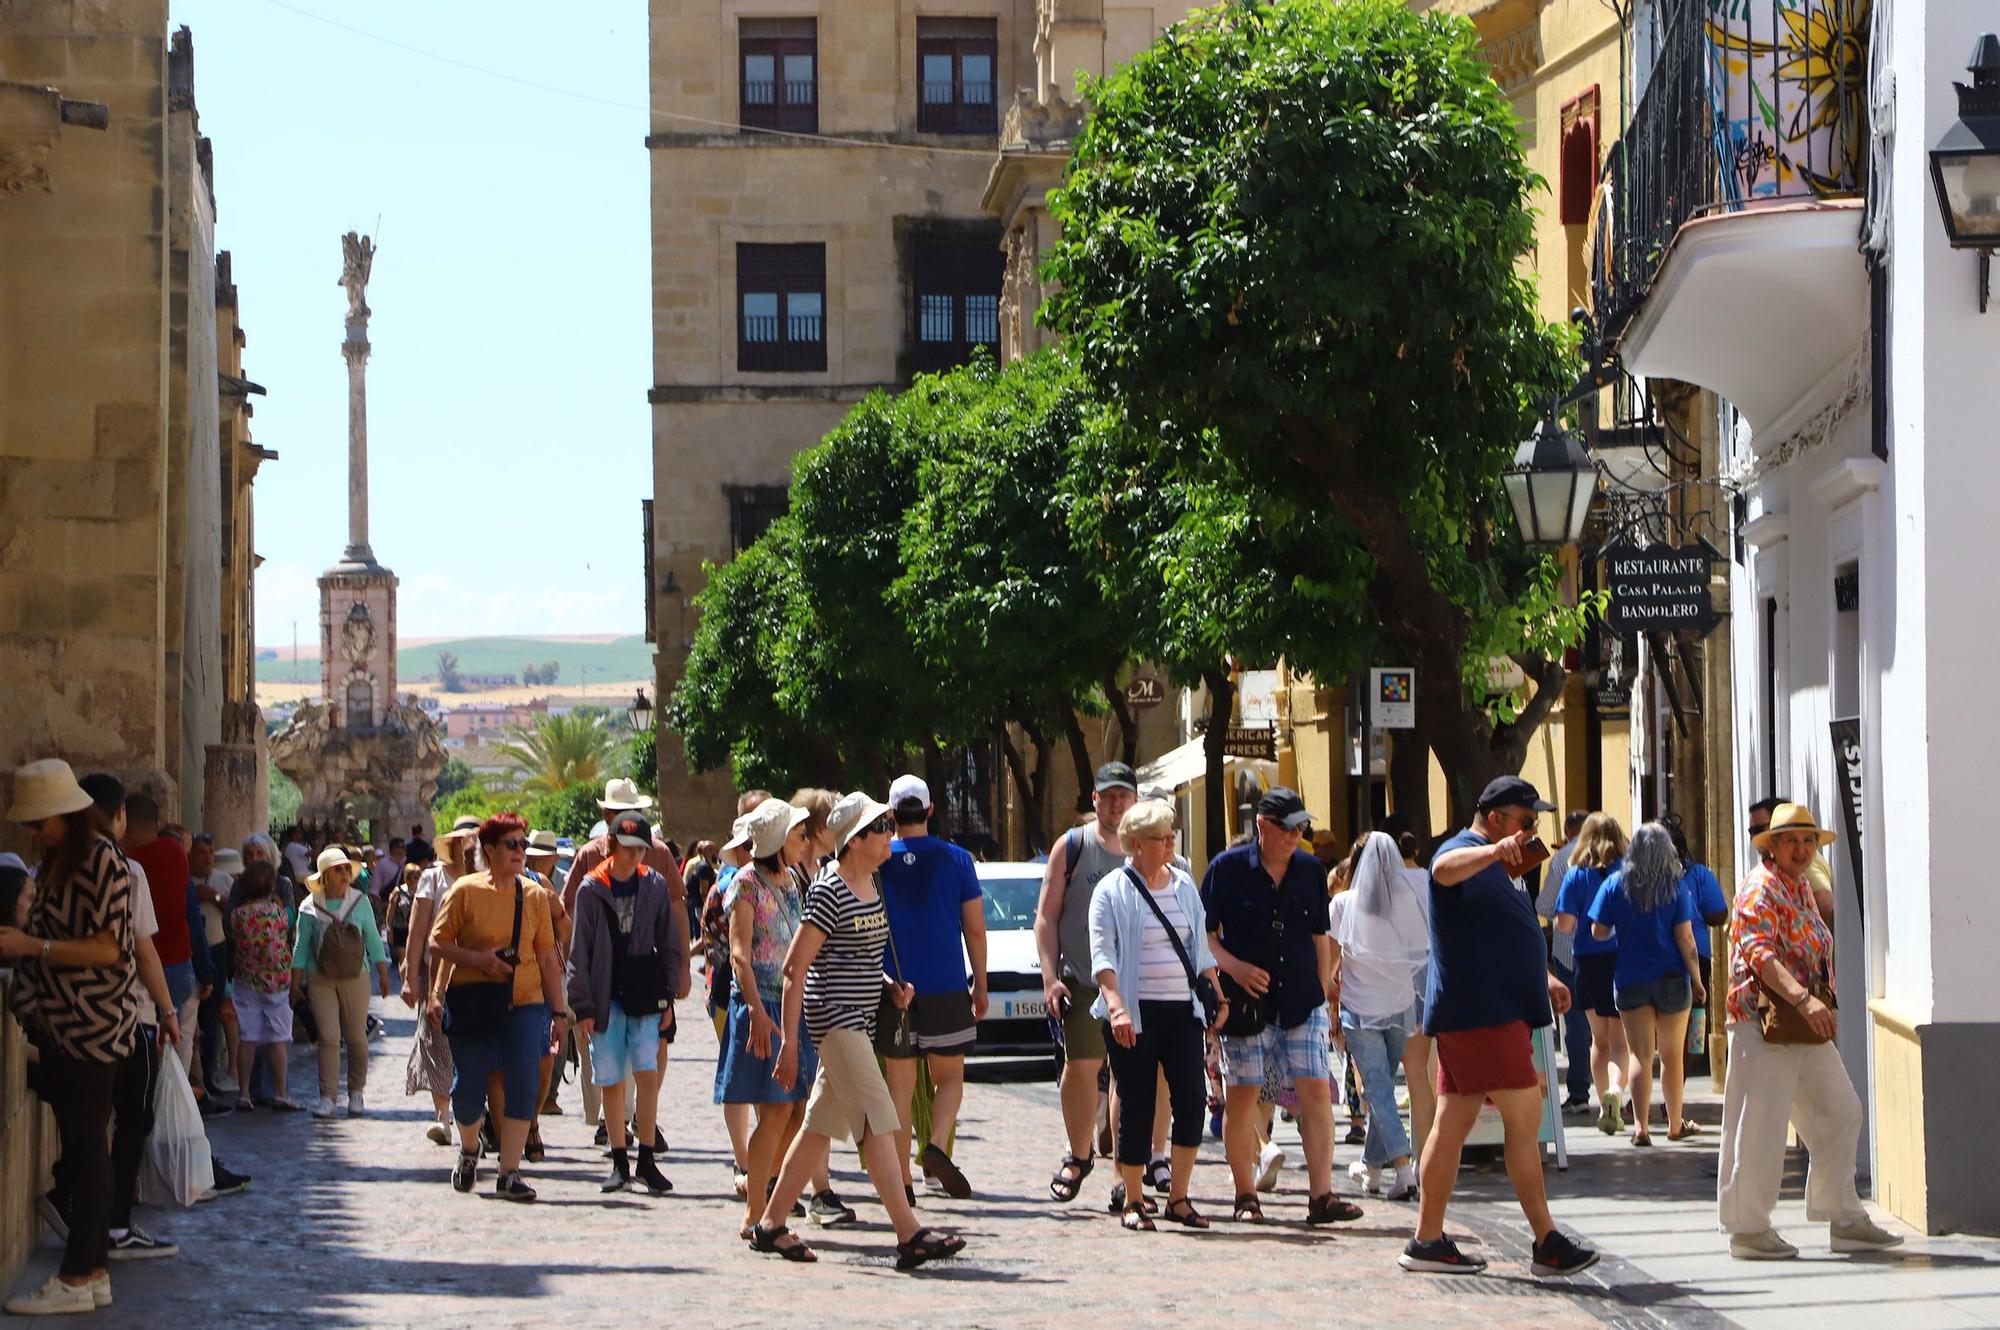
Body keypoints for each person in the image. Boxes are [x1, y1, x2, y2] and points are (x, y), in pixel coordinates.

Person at [750, 792, 966, 1271]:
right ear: (855, 841)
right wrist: (789, 1043)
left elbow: (862, 957)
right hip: (835, 1019)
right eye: (881, 828)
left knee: (817, 1130)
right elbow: (794, 968)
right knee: (879, 1120)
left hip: (864, 1018)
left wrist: (890, 986)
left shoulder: (874, 885)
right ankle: (909, 1235)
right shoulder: (830, 891)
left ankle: (769, 1226)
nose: (890, 835)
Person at [1402, 775, 1597, 1278]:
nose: (1532, 832)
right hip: (1482, 1012)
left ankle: (1427, 1240)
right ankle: (1545, 1241)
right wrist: (1494, 852)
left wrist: (1545, 974)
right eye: (1526, 822)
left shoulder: (1503, 866)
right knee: (1524, 1116)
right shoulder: (1467, 850)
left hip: (1490, 1009)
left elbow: (1506, 931)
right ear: (1496, 819)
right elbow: (1441, 870)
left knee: (1453, 1126)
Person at [1716, 803, 1901, 1260]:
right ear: (1772, 847)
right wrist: (1803, 997)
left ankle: (1842, 1215)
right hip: (1763, 1020)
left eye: (1808, 841)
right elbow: (1758, 952)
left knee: (1841, 1110)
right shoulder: (1759, 889)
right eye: (1791, 841)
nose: (1801, 849)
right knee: (1759, 1124)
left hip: (1803, 1021)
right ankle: (1747, 1229)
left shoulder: (1798, 888)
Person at [0, 760, 138, 1315]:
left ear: (64, 815)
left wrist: (33, 949)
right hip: (65, 1025)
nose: (33, 833)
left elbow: (110, 949)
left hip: (92, 1026)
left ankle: (76, 1276)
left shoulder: (103, 861)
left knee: (86, 1153)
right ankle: (94, 1271)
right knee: (86, 1150)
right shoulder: (60, 861)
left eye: (39, 822)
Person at [1201, 788, 1357, 1226]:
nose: (1297, 835)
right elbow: (1203, 936)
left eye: (1301, 827)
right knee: (1245, 1097)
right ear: (1263, 827)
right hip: (1249, 1005)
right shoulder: (1226, 870)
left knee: (1315, 1095)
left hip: (1301, 1002)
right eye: (1289, 828)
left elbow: (1319, 936)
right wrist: (1237, 968)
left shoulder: (1309, 871)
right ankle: (1244, 1194)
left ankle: (1321, 1196)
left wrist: (1323, 991)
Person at [1089, 799, 1226, 1232]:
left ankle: (1179, 1198)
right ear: (1135, 844)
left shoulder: (1184, 886)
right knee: (1138, 1104)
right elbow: (1103, 955)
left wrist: (1217, 995)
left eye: (1171, 836)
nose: (1170, 843)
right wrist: (1116, 1008)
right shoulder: (1111, 890)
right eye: (1161, 838)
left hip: (1182, 1011)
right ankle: (1132, 1198)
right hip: (1133, 1013)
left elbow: (1200, 951)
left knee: (1190, 1103)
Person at [427, 813, 570, 1201]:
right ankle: (470, 1149)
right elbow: (438, 943)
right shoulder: (464, 891)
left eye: (523, 845)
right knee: (469, 1088)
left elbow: (546, 959)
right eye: (512, 844)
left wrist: (559, 1013)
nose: (521, 852)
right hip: (472, 999)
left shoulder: (536, 895)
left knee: (524, 1081)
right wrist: (479, 960)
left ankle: (510, 1172)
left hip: (524, 1002)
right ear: (489, 850)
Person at [876, 774, 987, 1200]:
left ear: (890, 814)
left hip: (895, 987)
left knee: (899, 1090)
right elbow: (974, 929)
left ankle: (902, 1182)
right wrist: (980, 981)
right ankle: (938, 1144)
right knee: (950, 1078)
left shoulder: (878, 858)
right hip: (945, 983)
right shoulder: (957, 860)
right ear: (930, 810)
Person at [713, 798, 820, 1235]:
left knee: (798, 1112)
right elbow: (740, 955)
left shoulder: (793, 880)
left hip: (792, 1005)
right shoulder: (745, 882)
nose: (805, 841)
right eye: (798, 834)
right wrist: (756, 1010)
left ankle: (758, 1185)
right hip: (762, 1008)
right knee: (776, 1112)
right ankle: (755, 1211)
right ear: (778, 840)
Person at [1035, 761, 1139, 1204]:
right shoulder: (1073, 847)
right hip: (1081, 979)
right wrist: (1048, 977)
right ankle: (1079, 1155)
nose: (1116, 803)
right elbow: (1047, 916)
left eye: (1124, 795)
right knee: (1080, 1068)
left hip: (1134, 984)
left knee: (1128, 1076)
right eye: (1108, 795)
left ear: (1135, 801)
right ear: (1094, 799)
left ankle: (1124, 1173)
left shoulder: (1147, 846)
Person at [568, 810, 680, 1196]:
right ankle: (619, 1160)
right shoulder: (590, 888)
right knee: (611, 1078)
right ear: (611, 847)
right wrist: (581, 1006)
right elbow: (578, 951)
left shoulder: (654, 885)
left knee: (647, 1074)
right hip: (604, 995)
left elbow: (668, 942)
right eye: (628, 849)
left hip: (646, 993)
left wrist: (668, 996)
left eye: (641, 850)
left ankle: (646, 1158)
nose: (634, 857)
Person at [1588, 823, 1705, 1145]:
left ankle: (1641, 1127)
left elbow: (1597, 930)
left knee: (1640, 1055)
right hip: (1671, 980)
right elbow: (1686, 939)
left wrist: (1620, 931)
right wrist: (1697, 980)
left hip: (1630, 979)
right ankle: (1675, 1124)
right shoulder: (1676, 887)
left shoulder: (1615, 884)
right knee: (1671, 1057)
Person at [1331, 832, 1429, 1201]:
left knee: (1379, 1091)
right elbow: (1419, 953)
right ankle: (1372, 1167)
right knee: (1382, 1088)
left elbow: (1332, 958)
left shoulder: (1342, 904)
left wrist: (1325, 997)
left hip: (1360, 1007)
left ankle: (1403, 1171)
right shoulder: (1407, 904)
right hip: (1399, 1006)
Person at [292, 846, 393, 1119]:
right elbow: (301, 947)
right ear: (325, 875)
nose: (345, 873)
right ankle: (327, 1097)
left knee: (357, 1037)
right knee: (328, 1037)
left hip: (356, 975)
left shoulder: (360, 902)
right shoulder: (309, 906)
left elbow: (372, 938)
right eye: (338, 869)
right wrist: (295, 982)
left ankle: (356, 1092)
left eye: (347, 868)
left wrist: (383, 974)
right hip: (320, 977)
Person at [1553, 812, 1630, 1136]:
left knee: (1598, 1040)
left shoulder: (1576, 875)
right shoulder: (1627, 873)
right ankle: (1617, 1091)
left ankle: (1603, 1102)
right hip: (1623, 959)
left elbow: (1566, 925)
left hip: (1586, 959)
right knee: (1621, 1041)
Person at [123, 793, 208, 1084]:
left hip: (142, 967)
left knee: (146, 1053)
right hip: (179, 964)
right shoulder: (174, 853)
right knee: (178, 1046)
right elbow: (190, 917)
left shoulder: (124, 862)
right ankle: (174, 1115)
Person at [403, 826, 474, 1145]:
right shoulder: (433, 878)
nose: (470, 848)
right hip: (437, 974)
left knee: (476, 1047)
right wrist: (409, 978)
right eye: (464, 842)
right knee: (437, 1043)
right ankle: (443, 1118)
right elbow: (418, 931)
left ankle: (475, 1120)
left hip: (481, 974)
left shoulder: (494, 878)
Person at [1535, 811, 1594, 1114]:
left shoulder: (1563, 861)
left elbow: (1545, 906)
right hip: (1611, 950)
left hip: (1570, 950)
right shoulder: (1616, 855)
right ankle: (1620, 1095)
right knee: (1614, 1026)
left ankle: (1580, 1091)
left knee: (1575, 1021)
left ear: (1570, 830)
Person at [230, 861, 298, 1112]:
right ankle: (280, 1092)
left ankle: (244, 1092)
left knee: (247, 1038)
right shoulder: (277, 914)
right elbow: (289, 924)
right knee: (278, 1038)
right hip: (277, 982)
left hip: (246, 980)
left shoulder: (237, 915)